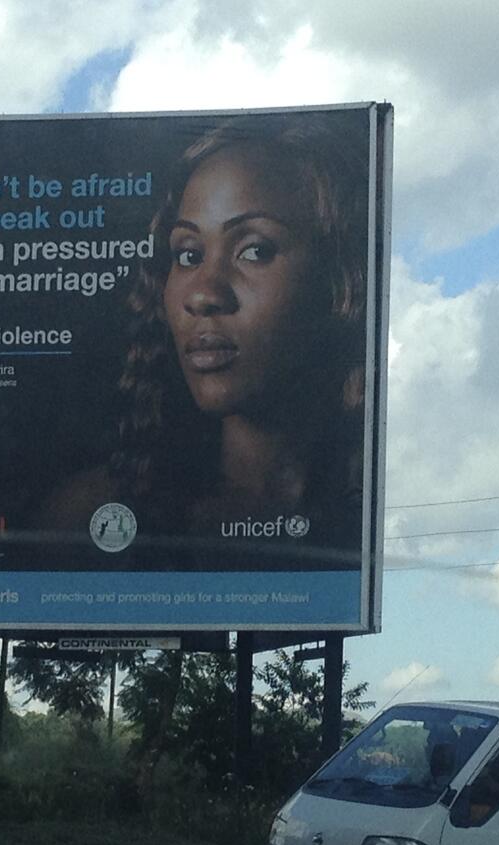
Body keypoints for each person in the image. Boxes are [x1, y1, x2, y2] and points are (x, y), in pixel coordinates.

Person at [39, 115, 370, 569]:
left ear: (340, 282)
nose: (203, 294)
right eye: (188, 254)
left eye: (254, 250)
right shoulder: (85, 518)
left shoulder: (358, 520)